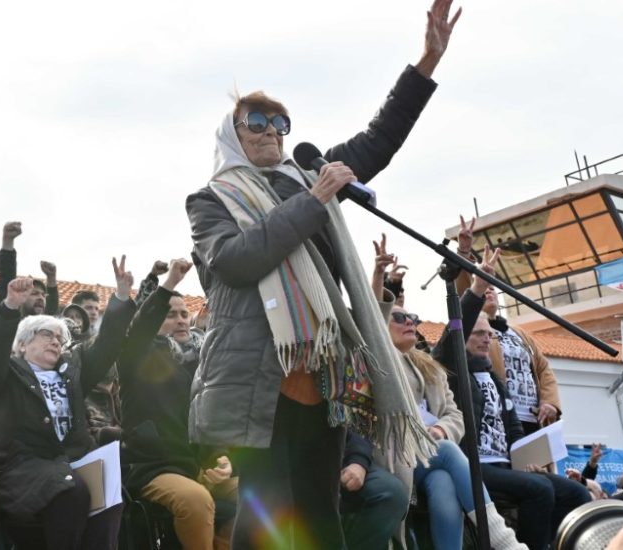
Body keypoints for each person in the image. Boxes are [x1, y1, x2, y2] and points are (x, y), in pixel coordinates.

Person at [185, 1, 461, 546]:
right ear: (231, 135)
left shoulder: (310, 175)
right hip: (254, 382)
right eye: (256, 122)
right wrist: (313, 200)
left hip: (322, 373)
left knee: (319, 513)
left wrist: (426, 62)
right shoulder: (211, 200)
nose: (271, 131)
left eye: (280, 122)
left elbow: (378, 138)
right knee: (265, 520)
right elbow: (238, 260)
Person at [371, 235, 526, 549]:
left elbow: (455, 413)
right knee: (449, 453)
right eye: (399, 317)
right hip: (393, 453)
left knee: (444, 484)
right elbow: (370, 313)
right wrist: (378, 276)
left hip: (430, 457)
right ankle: (503, 540)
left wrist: (442, 427)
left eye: (413, 318)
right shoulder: (377, 358)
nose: (409, 322)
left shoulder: (430, 367)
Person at [0, 255, 136, 549]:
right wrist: (9, 306)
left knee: (111, 492)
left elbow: (106, 345)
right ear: (22, 345)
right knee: (72, 490)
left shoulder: (72, 372)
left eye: (60, 339)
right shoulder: (6, 375)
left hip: (74, 462)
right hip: (21, 469)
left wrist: (121, 298)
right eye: (46, 334)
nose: (55, 342)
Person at [433, 280, 590, 549]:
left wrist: (531, 460)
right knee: (539, 490)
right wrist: (478, 288)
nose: (487, 338)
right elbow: (450, 337)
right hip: (474, 465)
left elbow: (515, 433)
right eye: (479, 333)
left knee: (576, 493)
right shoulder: (453, 372)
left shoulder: (497, 382)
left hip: (507, 466)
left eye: (489, 334)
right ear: (462, 337)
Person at [117, 258, 238, 550]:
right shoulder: (136, 357)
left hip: (195, 466)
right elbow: (139, 329)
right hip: (153, 469)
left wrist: (221, 458)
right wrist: (169, 283)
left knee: (256, 491)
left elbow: (204, 421)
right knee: (196, 501)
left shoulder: (197, 365)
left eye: (185, 313)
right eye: (171, 314)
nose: (182, 319)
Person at [454, 217, 562, 435]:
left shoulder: (520, 333)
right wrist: (464, 253)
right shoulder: (472, 331)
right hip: (499, 417)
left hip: (534, 417)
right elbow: (465, 293)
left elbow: (542, 368)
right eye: (482, 291)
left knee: (538, 468)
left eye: (491, 288)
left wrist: (550, 402)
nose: (489, 291)